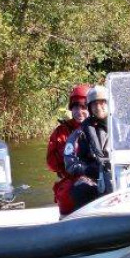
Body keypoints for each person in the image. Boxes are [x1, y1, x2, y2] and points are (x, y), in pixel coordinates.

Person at [63, 85, 130, 211]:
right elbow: (70, 163)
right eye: (94, 104)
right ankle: (88, 224)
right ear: (90, 107)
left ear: (110, 105)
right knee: (80, 189)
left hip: (124, 176)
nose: (98, 107)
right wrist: (89, 169)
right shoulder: (79, 134)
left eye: (102, 103)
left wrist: (126, 166)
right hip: (95, 179)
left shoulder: (127, 130)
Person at [46, 84, 92, 216]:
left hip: (97, 175)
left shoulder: (100, 127)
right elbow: (51, 163)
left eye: (83, 107)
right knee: (65, 196)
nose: (79, 111)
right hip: (72, 177)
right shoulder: (61, 131)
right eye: (75, 107)